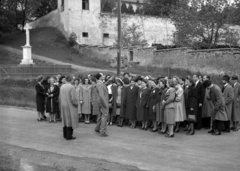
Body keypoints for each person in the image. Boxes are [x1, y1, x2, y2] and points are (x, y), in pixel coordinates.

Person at [59, 75, 78, 140]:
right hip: (70, 105)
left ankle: (65, 134)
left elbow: (60, 96)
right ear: (71, 80)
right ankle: (69, 136)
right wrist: (76, 104)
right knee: (70, 120)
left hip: (63, 104)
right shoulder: (72, 87)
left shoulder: (62, 86)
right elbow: (74, 99)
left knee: (65, 119)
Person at [95, 73, 109, 137]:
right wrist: (105, 103)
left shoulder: (99, 83)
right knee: (104, 116)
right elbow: (101, 95)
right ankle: (102, 131)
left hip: (100, 102)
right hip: (102, 102)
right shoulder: (100, 84)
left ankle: (97, 128)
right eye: (103, 75)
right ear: (100, 77)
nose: (104, 76)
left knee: (100, 115)